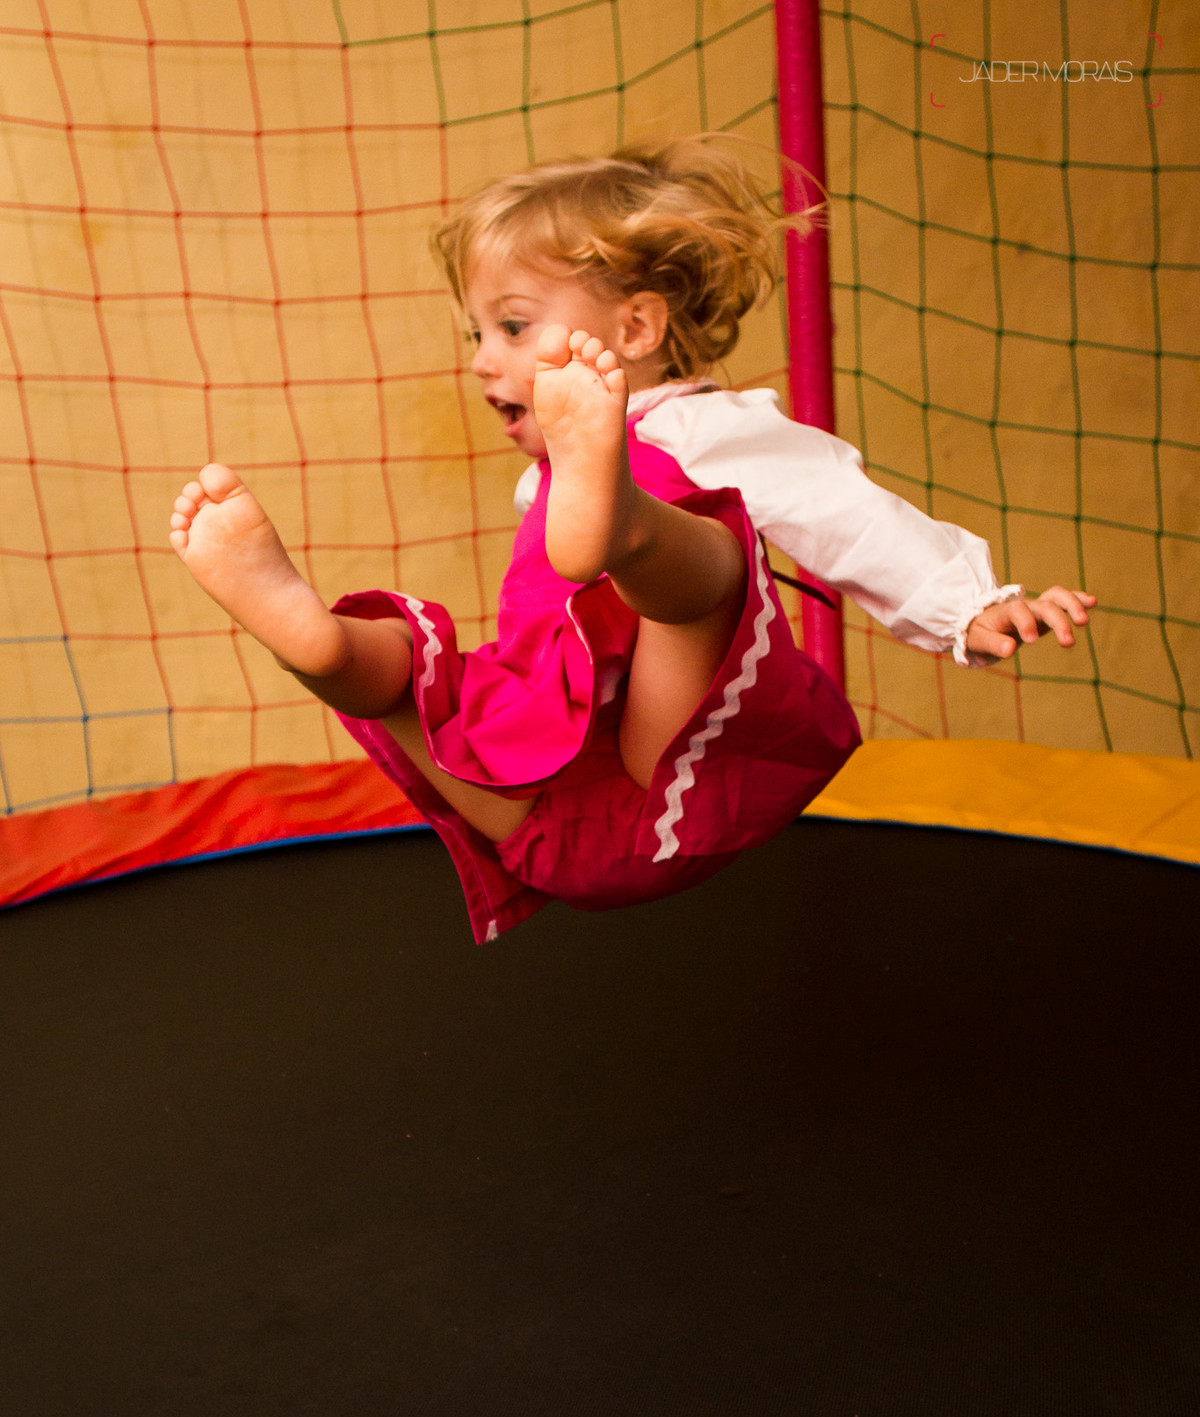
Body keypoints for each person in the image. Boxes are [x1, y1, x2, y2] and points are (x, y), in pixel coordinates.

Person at [168, 138, 1095, 943]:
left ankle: (348, 649)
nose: (483, 359)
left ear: (639, 327)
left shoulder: (698, 430)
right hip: (598, 803)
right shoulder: (558, 480)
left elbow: (838, 509)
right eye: (477, 333)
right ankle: (352, 634)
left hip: (594, 792)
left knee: (461, 653)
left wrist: (964, 603)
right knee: (642, 597)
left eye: (512, 325)